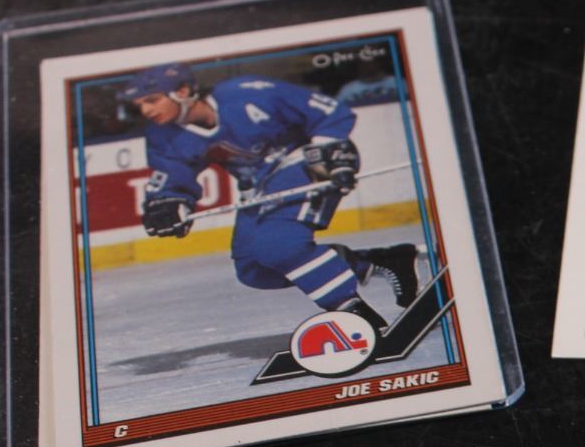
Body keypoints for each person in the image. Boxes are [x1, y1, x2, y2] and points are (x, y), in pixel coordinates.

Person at [121, 62, 422, 334]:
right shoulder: (162, 136)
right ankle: (382, 261)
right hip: (261, 185)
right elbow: (172, 177)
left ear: (183, 91)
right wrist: (168, 203)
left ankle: (357, 318)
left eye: (152, 100)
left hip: (309, 162)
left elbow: (329, 110)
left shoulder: (244, 92)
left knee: (277, 247)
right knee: (254, 268)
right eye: (140, 105)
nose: (146, 111)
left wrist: (328, 148)